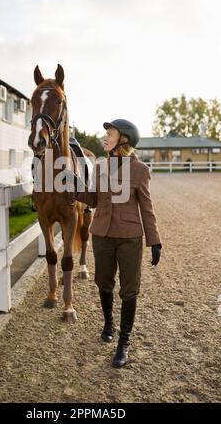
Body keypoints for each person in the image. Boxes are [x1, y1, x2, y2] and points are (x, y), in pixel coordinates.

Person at [71, 119, 162, 368]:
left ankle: (124, 341)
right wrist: (76, 188)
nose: (104, 138)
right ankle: (109, 322)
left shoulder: (140, 170)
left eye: (109, 134)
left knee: (129, 289)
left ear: (124, 140)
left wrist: (154, 240)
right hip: (102, 234)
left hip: (129, 237)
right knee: (103, 283)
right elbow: (95, 199)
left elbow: (146, 206)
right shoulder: (100, 167)